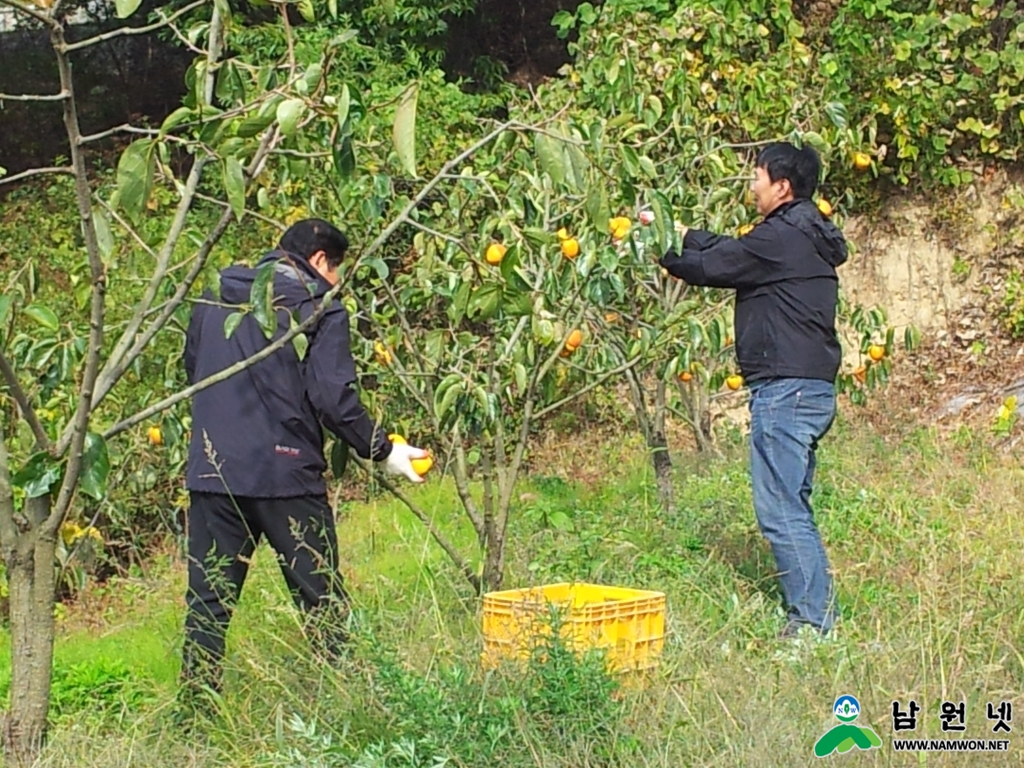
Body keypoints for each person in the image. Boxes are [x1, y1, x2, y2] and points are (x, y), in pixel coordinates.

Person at [179, 218, 428, 698]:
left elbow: (194, 370)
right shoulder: (319, 306)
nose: (337, 283)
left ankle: (195, 713)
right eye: (338, 271)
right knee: (321, 599)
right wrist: (382, 449)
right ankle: (348, 698)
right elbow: (334, 399)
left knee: (208, 604)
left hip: (213, 473)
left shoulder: (214, 295)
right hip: (285, 474)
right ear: (319, 262)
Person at [658, 142, 848, 638]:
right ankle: (815, 616)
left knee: (781, 511)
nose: (752, 185)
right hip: (807, 389)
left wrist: (658, 243)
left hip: (787, 392)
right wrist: (682, 232)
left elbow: (711, 266)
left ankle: (811, 625)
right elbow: (731, 249)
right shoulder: (799, 233)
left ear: (781, 186)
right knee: (792, 507)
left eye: (757, 176)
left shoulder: (781, 237)